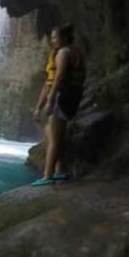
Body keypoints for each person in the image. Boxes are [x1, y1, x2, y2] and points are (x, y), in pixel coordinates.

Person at [31, 24, 86, 186]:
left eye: (55, 37)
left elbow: (59, 76)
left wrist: (50, 100)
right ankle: (60, 170)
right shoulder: (66, 52)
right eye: (52, 37)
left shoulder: (63, 53)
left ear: (64, 38)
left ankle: (48, 175)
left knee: (55, 137)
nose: (52, 40)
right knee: (50, 131)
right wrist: (38, 107)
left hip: (63, 97)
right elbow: (48, 83)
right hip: (67, 96)